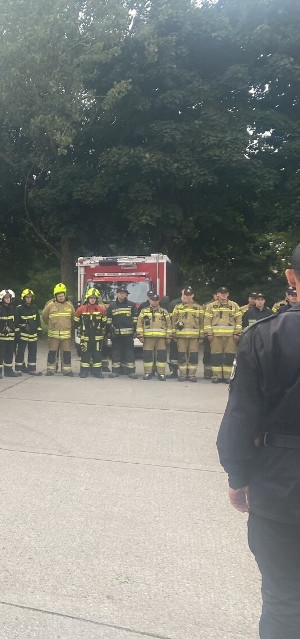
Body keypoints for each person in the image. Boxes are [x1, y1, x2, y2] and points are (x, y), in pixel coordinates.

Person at [216, 243, 300, 638]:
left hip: (280, 488)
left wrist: (237, 475)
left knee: (283, 600)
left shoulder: (264, 336)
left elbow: (240, 417)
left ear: (291, 278)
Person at [204, 286, 241, 384]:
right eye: (221, 293)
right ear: (217, 294)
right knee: (216, 356)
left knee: (229, 356)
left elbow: (238, 321)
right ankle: (217, 376)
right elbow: (207, 321)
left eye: (225, 293)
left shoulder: (234, 306)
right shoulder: (211, 306)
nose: (223, 294)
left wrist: (237, 333)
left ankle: (228, 376)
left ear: (228, 294)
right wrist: (209, 334)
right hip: (215, 337)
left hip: (230, 337)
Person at [136, 290, 172, 380]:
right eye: (152, 300)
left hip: (161, 338)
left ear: (158, 301)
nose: (154, 302)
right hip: (148, 338)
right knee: (147, 356)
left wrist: (168, 336)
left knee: (161, 356)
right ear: (150, 301)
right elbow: (139, 324)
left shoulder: (164, 312)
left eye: (156, 300)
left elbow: (169, 325)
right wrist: (140, 335)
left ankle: (161, 374)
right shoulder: (144, 311)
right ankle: (148, 373)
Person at [42, 283, 76, 376]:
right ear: (55, 296)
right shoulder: (50, 306)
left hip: (66, 335)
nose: (61, 297)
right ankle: (51, 370)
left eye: (63, 295)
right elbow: (44, 317)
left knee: (66, 353)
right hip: (53, 335)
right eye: (59, 296)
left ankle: (67, 370)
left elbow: (73, 318)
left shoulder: (69, 305)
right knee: (52, 353)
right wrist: (50, 325)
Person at [170, 287, 203, 382]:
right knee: (181, 356)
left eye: (190, 295)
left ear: (193, 295)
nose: (188, 297)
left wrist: (201, 336)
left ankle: (192, 375)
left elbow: (202, 323)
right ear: (183, 295)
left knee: (193, 356)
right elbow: (173, 322)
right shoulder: (178, 307)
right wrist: (174, 334)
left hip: (194, 337)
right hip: (181, 337)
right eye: (186, 295)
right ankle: (182, 375)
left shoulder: (199, 308)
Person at [106, 286, 138, 379]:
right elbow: (109, 320)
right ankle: (115, 371)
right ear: (117, 294)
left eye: (124, 293)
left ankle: (131, 372)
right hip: (116, 334)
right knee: (115, 352)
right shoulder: (112, 306)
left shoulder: (131, 305)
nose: (122, 295)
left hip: (128, 334)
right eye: (121, 293)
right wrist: (108, 332)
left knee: (129, 353)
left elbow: (135, 319)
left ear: (126, 295)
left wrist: (135, 331)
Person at [75, 287, 107, 378]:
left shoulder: (101, 309)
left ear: (96, 299)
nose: (92, 300)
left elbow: (104, 322)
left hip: (97, 337)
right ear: (87, 298)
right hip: (85, 336)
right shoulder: (81, 309)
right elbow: (76, 322)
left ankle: (97, 371)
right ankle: (84, 371)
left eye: (94, 298)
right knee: (85, 354)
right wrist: (81, 331)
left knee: (97, 354)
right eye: (91, 298)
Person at [14, 289, 41, 375]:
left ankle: (32, 369)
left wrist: (39, 329)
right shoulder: (19, 308)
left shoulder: (34, 307)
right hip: (23, 334)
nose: (29, 299)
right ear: (23, 298)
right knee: (20, 352)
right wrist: (17, 332)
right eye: (27, 297)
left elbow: (37, 320)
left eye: (30, 297)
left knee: (33, 352)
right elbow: (16, 322)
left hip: (33, 334)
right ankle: (18, 369)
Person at [0, 289, 19, 378]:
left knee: (9, 354)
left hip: (11, 336)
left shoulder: (13, 309)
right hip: (2, 337)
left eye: (9, 298)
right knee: (1, 354)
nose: (8, 299)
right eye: (6, 298)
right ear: (2, 298)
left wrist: (16, 333)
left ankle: (8, 371)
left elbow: (15, 321)